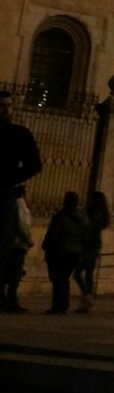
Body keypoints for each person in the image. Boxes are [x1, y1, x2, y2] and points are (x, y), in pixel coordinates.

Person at [0, 87, 42, 306]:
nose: (6, 110)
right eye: (2, 106)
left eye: (9, 106)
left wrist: (10, 178)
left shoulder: (19, 134)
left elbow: (35, 164)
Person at [42, 190, 87, 314]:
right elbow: (86, 235)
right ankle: (63, 305)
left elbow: (53, 235)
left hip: (61, 251)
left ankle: (58, 306)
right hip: (75, 252)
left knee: (58, 280)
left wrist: (46, 246)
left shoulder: (60, 217)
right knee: (64, 279)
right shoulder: (83, 218)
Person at [74, 189, 111, 313]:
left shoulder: (94, 214)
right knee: (89, 274)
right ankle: (87, 301)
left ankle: (87, 297)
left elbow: (89, 230)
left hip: (89, 246)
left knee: (78, 273)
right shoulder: (102, 214)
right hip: (96, 245)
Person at [0, 184, 33, 311]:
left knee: (5, 275)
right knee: (14, 276)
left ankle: (4, 300)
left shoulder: (13, 205)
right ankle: (11, 301)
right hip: (17, 244)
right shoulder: (21, 207)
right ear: (23, 193)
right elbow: (21, 225)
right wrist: (28, 239)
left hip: (11, 243)